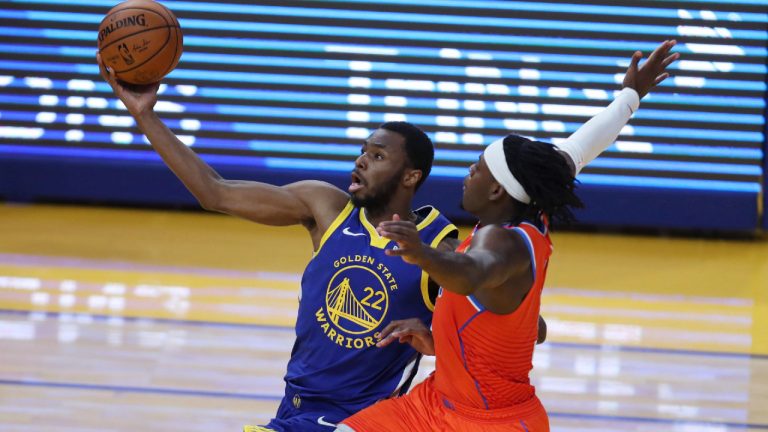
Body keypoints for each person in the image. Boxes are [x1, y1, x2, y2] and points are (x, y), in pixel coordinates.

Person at [95, 55, 461, 431]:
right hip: (295, 407)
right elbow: (216, 192)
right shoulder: (326, 208)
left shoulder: (438, 248)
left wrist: (433, 342)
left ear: (410, 177)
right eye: (364, 150)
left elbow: (489, 340)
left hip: (356, 421)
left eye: (378, 156)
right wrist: (144, 115)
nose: (362, 160)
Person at [338, 40, 679, 432]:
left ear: (497, 190)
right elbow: (580, 149)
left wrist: (421, 252)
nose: (469, 171)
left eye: (478, 167)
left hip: (492, 422)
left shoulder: (502, 243)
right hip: (437, 401)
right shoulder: (530, 204)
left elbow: (469, 273)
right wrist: (630, 97)